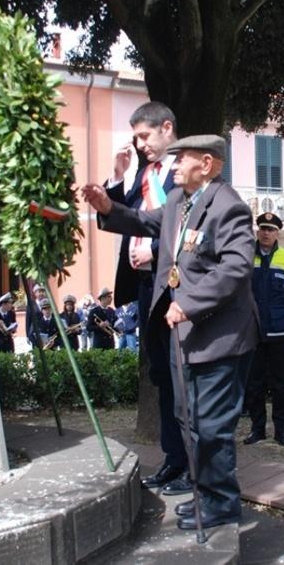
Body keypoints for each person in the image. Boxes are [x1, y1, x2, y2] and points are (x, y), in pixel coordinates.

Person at [82, 133, 258, 530]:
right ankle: (206, 496)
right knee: (189, 419)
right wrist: (109, 207)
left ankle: (222, 504)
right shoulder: (180, 200)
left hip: (220, 336)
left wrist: (189, 303)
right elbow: (146, 221)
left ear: (207, 164)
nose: (174, 165)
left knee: (211, 426)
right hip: (185, 334)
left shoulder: (228, 207)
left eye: (182, 159)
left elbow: (235, 268)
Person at [103, 101, 189, 495]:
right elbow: (127, 218)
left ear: (166, 128)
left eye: (144, 136)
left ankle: (192, 463)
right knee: (162, 378)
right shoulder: (144, 174)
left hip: (176, 288)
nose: (139, 144)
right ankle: (174, 459)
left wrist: (155, 252)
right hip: (145, 288)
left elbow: (193, 227)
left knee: (182, 378)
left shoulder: (187, 170)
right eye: (135, 137)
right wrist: (117, 176)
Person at [243, 212, 284, 448]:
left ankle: (281, 431)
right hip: (252, 332)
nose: (266, 233)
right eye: (263, 229)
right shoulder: (245, 257)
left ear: (278, 233)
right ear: (257, 231)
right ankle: (257, 429)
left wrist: (278, 313)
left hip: (279, 333)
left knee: (281, 385)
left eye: (271, 229)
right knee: (254, 384)